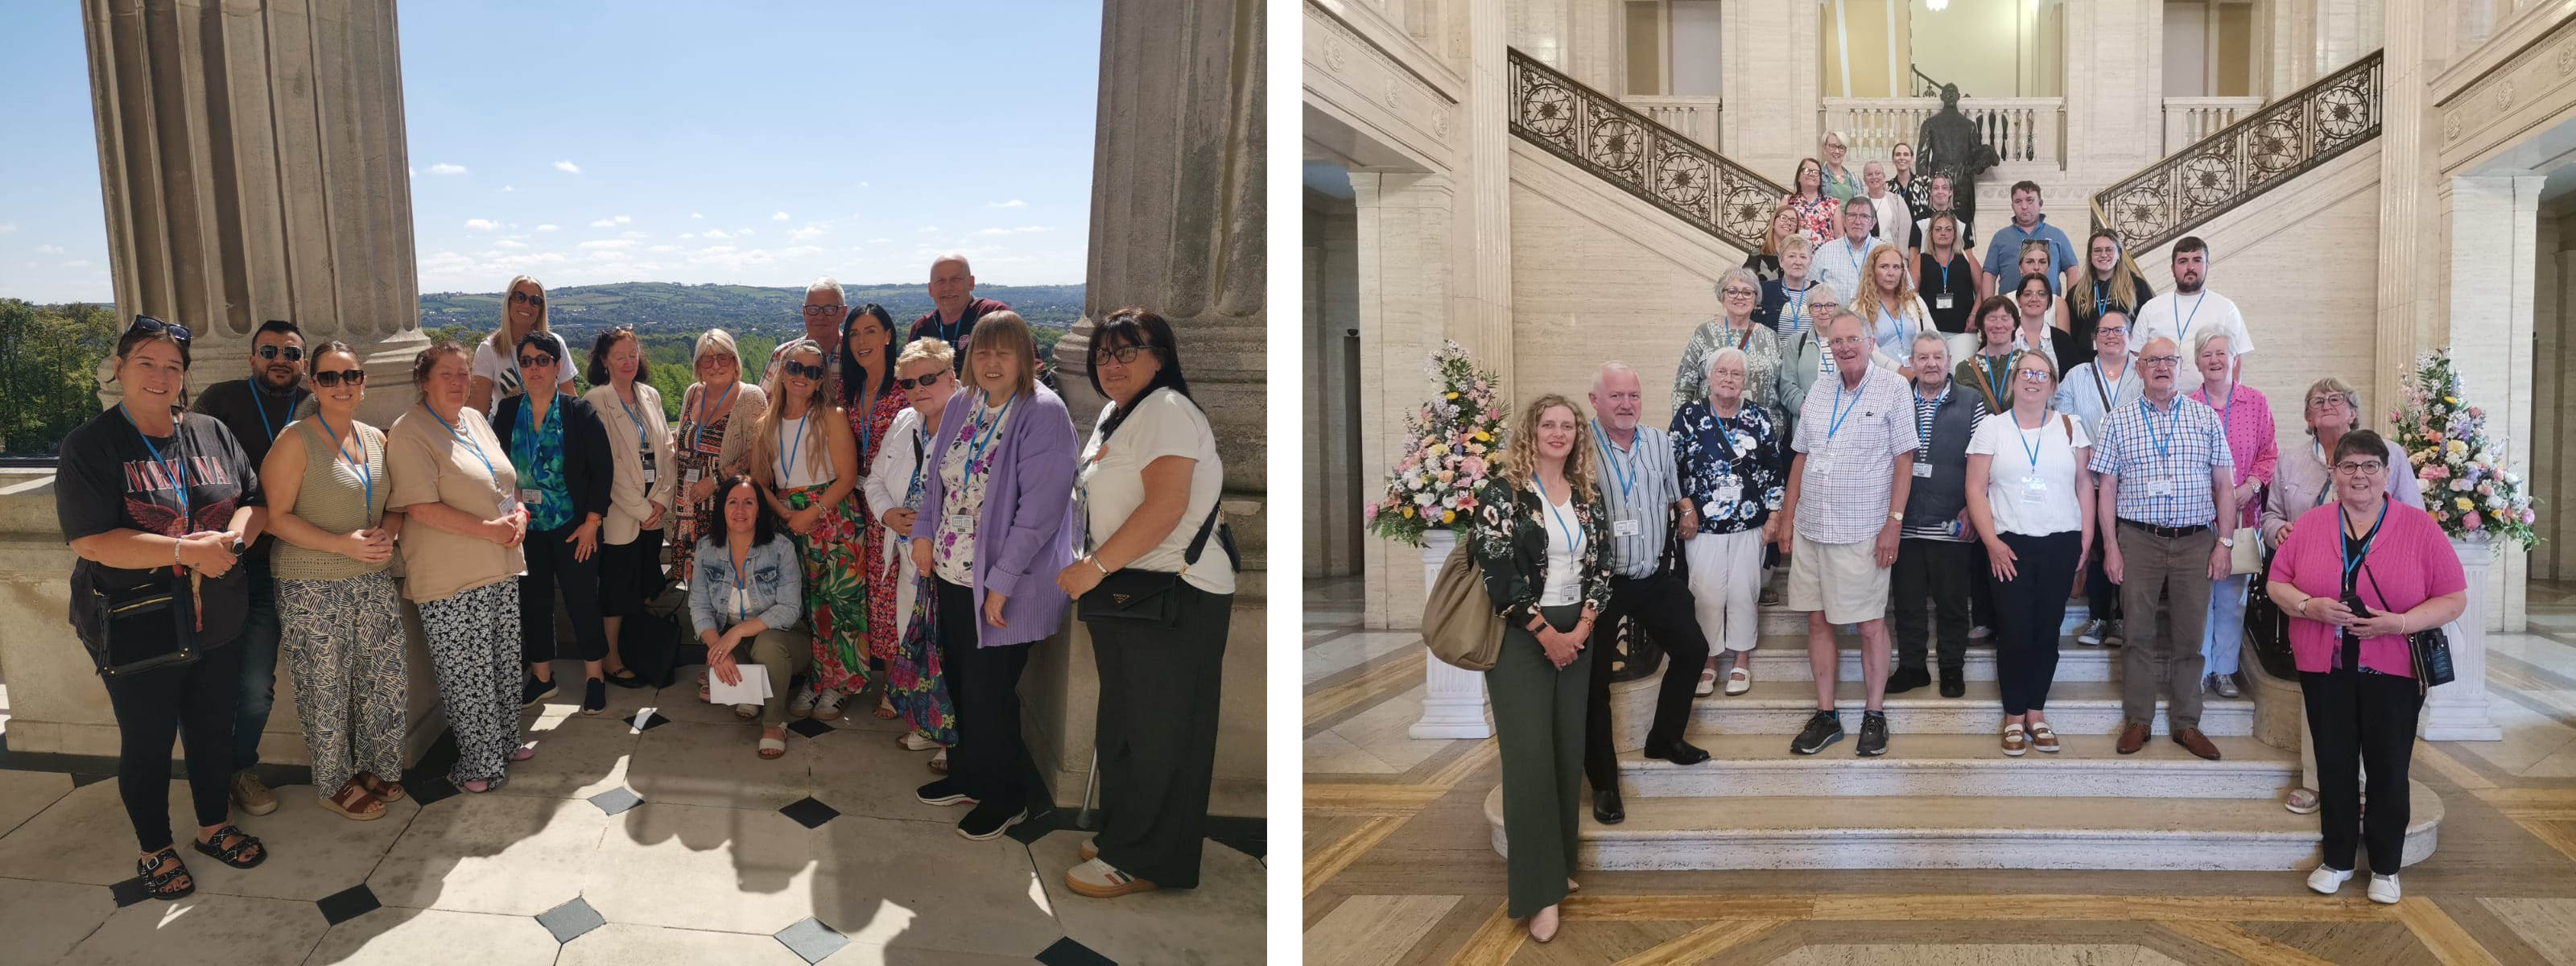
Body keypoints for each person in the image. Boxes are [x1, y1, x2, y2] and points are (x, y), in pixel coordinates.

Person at [58, 316, 270, 898]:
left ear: (185, 378)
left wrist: (231, 541)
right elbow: (91, 541)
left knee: (210, 732)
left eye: (173, 367)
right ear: (120, 369)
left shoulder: (210, 431)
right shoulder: (90, 446)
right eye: (146, 363)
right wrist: (184, 549)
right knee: (147, 740)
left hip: (218, 617)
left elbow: (254, 501)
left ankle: (213, 826)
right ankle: (155, 848)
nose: (160, 375)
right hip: (138, 623)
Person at [1052, 308, 1240, 898]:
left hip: (1175, 592)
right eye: (1104, 354)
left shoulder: (1167, 411)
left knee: (1164, 734)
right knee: (1128, 726)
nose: (1112, 364)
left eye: (1127, 351)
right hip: (1130, 591)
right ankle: (1124, 834)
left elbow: (1165, 507)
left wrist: (1095, 567)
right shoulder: (1118, 413)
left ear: (1161, 355)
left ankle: (1149, 858)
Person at [2264, 429, 2465, 905]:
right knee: (2333, 764)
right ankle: (2336, 860)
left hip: (2394, 669)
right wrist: (2310, 605)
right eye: (2348, 467)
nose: (2359, 476)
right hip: (2325, 665)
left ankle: (2386, 866)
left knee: (2388, 767)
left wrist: (2399, 623)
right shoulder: (2311, 525)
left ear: (2387, 473)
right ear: (2333, 475)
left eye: (2369, 466)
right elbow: (2277, 583)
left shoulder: (2420, 527)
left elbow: (2453, 598)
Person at [909, 312, 1079, 840]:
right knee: (959, 685)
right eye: (982, 352)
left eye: (1005, 352)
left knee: (991, 695)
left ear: (1028, 358)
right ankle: (968, 776)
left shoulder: (1043, 414)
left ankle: (1005, 796)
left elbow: (1041, 512)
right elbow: (938, 481)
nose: (992, 362)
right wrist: (922, 533)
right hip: (952, 574)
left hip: (1004, 586)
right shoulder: (964, 402)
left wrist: (1000, 584)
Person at [1467, 394, 1610, 945]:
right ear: (1531, 432)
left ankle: (1560, 867)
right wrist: (1547, 633)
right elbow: (1498, 574)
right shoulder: (1503, 494)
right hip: (1523, 638)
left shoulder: (1587, 496)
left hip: (1578, 633)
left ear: (1578, 434)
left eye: (1567, 425)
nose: (1558, 433)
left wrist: (1583, 626)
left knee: (1565, 752)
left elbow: (1602, 567)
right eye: (1548, 425)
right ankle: (1537, 891)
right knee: (1528, 760)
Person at [257, 340, 409, 819]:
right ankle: (332, 782)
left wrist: (386, 533)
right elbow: (275, 518)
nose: (341, 385)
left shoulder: (375, 439)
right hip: (311, 584)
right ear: (313, 384)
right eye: (328, 377)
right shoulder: (294, 441)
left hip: (372, 578)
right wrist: (345, 544)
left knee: (383, 681)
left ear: (363, 384)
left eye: (350, 376)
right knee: (325, 686)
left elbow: (395, 505)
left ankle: (373, 766)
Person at [2261, 379, 2427, 815]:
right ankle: (2321, 783)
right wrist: (2277, 531)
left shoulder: (2387, 455)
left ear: (2354, 412)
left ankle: (2376, 789)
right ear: (2307, 418)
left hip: (2380, 608)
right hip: (2315, 603)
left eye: (2338, 400)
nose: (2328, 407)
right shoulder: (2292, 462)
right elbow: (2271, 513)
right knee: (2322, 698)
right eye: (2318, 401)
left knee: (2379, 707)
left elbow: (2414, 520)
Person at [388, 342, 535, 794]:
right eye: (446, 374)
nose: (458, 382)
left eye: (464, 373)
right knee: (466, 673)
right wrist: (492, 530)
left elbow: (506, 481)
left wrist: (521, 517)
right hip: (450, 575)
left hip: (501, 563)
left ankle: (506, 742)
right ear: (424, 381)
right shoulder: (410, 432)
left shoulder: (472, 419)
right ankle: (479, 765)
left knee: (503, 664)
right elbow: (422, 509)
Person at [1778, 312, 1918, 757]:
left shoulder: (1895, 388)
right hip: (1813, 527)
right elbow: (1801, 457)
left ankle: (1874, 714)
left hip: (1863, 528)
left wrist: (1893, 522)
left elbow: (1904, 460)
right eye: (1836, 341)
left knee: (1871, 624)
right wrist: (1787, 515)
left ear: (1869, 340)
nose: (1843, 347)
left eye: (1851, 339)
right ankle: (1827, 715)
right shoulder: (1819, 390)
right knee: (1817, 620)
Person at [2088, 335, 2233, 762]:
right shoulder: (2118, 420)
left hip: (2194, 542)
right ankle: (2139, 720)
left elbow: (2225, 484)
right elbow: (2107, 488)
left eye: (2169, 359)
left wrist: (2224, 542)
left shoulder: (2205, 419)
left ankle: (2188, 724)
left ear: (2180, 366)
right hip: (2138, 539)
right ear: (2139, 369)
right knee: (2136, 633)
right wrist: (2111, 546)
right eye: (2152, 361)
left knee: (2191, 636)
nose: (2162, 367)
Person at [1578, 363, 1710, 828]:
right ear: (1595, 400)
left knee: (1694, 649)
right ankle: (1605, 783)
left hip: (1653, 574)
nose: (1627, 404)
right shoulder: (1580, 447)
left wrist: (1688, 508)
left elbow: (1676, 494)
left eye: (1633, 395)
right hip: (1601, 582)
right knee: (1593, 683)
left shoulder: (1658, 441)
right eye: (1616, 396)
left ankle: (1665, 738)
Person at [185, 318, 303, 818]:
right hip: (226, 562)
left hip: (288, 563)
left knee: (256, 686)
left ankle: (238, 769)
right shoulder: (220, 402)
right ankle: (207, 774)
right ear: (252, 358)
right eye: (270, 350)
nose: (281, 359)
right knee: (205, 679)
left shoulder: (316, 403)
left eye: (292, 353)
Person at [1965, 349, 2095, 756]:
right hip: (2010, 546)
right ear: (2015, 381)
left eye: (2041, 374)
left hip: (2061, 542)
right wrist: (1992, 543)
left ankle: (2037, 713)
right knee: (2015, 632)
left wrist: (2086, 541)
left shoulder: (2072, 427)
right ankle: (2013, 716)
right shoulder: (1992, 427)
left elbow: (2084, 486)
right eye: (2026, 373)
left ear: (2053, 385)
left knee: (2046, 633)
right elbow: (1975, 489)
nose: (2033, 380)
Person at [489, 332, 615, 716]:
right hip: (526, 528)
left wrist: (593, 522)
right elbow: (495, 469)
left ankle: (595, 677)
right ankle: (543, 678)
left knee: (582, 601)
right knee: (533, 602)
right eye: (526, 361)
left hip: (573, 527)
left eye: (542, 360)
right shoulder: (509, 413)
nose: (534, 368)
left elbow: (602, 470)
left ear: (558, 366)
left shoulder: (578, 412)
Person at [753, 338, 870, 720]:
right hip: (791, 521)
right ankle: (817, 679)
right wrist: (786, 514)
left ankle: (841, 684)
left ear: (822, 379)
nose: (802, 377)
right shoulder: (765, 422)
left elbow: (848, 478)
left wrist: (813, 512)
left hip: (833, 518)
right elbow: (760, 482)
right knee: (807, 605)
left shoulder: (832, 416)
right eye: (795, 368)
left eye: (812, 371)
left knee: (841, 605)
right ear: (783, 373)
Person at [867, 338, 961, 770]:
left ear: (951, 375)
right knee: (919, 645)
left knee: (953, 652)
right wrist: (888, 514)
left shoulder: (971, 423)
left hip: (953, 563)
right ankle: (929, 728)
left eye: (929, 378)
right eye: (909, 382)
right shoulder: (906, 420)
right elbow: (875, 482)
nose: (919, 388)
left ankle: (955, 744)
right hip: (907, 558)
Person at [1677, 349, 1785, 697]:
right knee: (1706, 594)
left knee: (1743, 592)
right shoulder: (1690, 416)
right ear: (1709, 377)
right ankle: (1709, 660)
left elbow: (1773, 470)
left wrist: (1774, 514)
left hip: (1749, 524)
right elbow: (1670, 466)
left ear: (1745, 381)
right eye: (1722, 372)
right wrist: (1685, 508)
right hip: (1701, 525)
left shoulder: (1758, 417)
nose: (1728, 379)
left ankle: (1741, 658)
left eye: (1736, 374)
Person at [691, 474, 812, 759]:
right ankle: (752, 692)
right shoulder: (706, 549)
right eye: (732, 502)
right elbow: (698, 606)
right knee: (715, 677)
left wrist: (736, 633)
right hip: (738, 638)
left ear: (760, 510)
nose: (740, 510)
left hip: (786, 637)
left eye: (749, 502)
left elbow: (789, 608)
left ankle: (774, 723)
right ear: (722, 508)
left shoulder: (780, 548)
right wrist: (718, 648)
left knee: (767, 645)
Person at [1890, 333, 1984, 698]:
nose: (1930, 364)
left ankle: (1951, 668)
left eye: (1937, 357)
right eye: (1923, 357)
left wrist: (1971, 509)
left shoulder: (1971, 401)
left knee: (1952, 603)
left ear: (1949, 362)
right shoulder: (1897, 400)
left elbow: (1981, 460)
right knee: (1908, 601)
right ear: (1912, 363)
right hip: (1906, 519)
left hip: (1952, 521)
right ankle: (1912, 667)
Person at [583, 328, 676, 689]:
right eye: (619, 355)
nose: (627, 361)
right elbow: (607, 466)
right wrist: (641, 508)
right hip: (623, 515)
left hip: (654, 512)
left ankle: (636, 652)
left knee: (642, 587)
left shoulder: (649, 395)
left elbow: (666, 451)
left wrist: (663, 499)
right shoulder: (596, 401)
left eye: (633, 354)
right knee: (617, 591)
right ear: (605, 360)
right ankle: (611, 659)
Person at [2191, 331, 2277, 699]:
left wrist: (2250, 487)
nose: (2214, 360)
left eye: (2221, 353)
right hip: (2198, 517)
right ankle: (2200, 668)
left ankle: (2224, 670)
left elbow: (2269, 454)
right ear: (2196, 363)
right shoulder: (2187, 405)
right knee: (2198, 597)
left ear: (2234, 358)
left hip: (2243, 518)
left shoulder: (2255, 402)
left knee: (2231, 597)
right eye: (2207, 354)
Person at [838, 303, 911, 719]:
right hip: (858, 505)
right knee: (871, 596)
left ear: (888, 335)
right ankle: (882, 679)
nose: (861, 342)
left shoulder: (908, 387)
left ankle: (897, 684)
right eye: (854, 335)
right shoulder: (853, 389)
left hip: (895, 504)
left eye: (869, 332)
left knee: (895, 593)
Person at [2055, 311, 2145, 648]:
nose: (2111, 336)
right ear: (2094, 337)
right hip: (2090, 476)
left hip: (2134, 478)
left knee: (2126, 547)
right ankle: (2096, 617)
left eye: (2118, 330)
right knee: (2094, 548)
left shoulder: (2143, 372)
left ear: (2130, 335)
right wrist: (2084, 447)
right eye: (2104, 331)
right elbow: (2063, 415)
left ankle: (2120, 618)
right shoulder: (2078, 375)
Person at [670, 329, 771, 582]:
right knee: (696, 589)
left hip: (727, 511)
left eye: (723, 358)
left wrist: (715, 480)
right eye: (707, 359)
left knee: (728, 584)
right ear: (698, 366)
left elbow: (760, 452)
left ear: (735, 362)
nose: (715, 365)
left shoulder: (751, 397)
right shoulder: (693, 393)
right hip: (689, 510)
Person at [2132, 237, 2253, 376]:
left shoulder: (2226, 309)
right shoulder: (2151, 308)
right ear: (2172, 269)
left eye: (2197, 260)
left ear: (2207, 265)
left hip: (2209, 397)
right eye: (2183, 261)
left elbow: (2236, 362)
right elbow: (2136, 357)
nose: (2190, 267)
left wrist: (2231, 398)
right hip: (2159, 397)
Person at [1674, 268, 1783, 412]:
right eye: (1732, 291)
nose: (1740, 297)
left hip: (1762, 429)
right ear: (1722, 296)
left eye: (1747, 292)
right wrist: (1683, 425)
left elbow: (1783, 387)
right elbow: (1683, 387)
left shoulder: (1771, 337)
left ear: (1756, 298)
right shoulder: (1705, 333)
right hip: (1711, 426)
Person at [467, 275, 577, 415]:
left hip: (551, 429)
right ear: (509, 301)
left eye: (535, 300)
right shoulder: (488, 350)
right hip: (505, 431)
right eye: (520, 297)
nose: (527, 305)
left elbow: (569, 397)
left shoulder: (556, 344)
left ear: (541, 309)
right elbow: (478, 407)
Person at [2062, 229, 2155, 374]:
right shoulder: (2076, 293)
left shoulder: (2137, 287)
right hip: (2088, 366)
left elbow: (2149, 329)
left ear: (2119, 253)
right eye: (2098, 250)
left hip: (2128, 367)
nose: (2104, 255)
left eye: (2109, 250)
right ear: (2090, 256)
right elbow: (2072, 338)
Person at [907, 253, 1014, 367]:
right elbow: (908, 375)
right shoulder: (922, 328)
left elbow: (1030, 367)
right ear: (930, 289)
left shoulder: (994, 315)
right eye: (940, 281)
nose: (948, 287)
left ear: (971, 283)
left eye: (956, 279)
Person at [1980, 181, 2075, 298]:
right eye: (2018, 202)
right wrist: (1988, 307)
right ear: (2012, 206)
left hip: (2050, 309)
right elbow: (1989, 274)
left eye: (2030, 200)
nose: (2024, 206)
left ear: (2040, 203)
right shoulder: (2000, 237)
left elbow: (2072, 269)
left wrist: (2072, 305)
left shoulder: (2057, 235)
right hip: (2010, 310)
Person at [1913, 212, 1981, 361]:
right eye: (1938, 229)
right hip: (1930, 332)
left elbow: (1982, 289)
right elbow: (1911, 296)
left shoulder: (1967, 258)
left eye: (1948, 229)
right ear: (1931, 233)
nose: (1943, 233)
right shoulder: (1920, 260)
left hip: (1963, 331)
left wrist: (1975, 314)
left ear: (1955, 233)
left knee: (1960, 373)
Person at [1851, 245, 1932, 366]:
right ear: (1872, 271)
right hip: (1879, 376)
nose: (1891, 273)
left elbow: (1933, 337)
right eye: (1884, 267)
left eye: (1896, 267)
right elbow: (1863, 349)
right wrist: (1898, 370)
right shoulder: (1859, 308)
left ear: (1902, 272)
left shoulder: (1915, 301)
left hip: (1917, 374)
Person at [1813, 196, 1889, 307]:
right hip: (1835, 321)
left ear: (1872, 223)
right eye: (1852, 216)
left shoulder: (1885, 252)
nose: (1857, 222)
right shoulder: (1826, 251)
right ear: (1843, 220)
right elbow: (1810, 290)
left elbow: (1905, 289)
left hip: (1875, 320)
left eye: (1864, 217)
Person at [793, 278, 853, 402]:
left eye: (829, 309)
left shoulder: (857, 357)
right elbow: (766, 411)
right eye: (813, 309)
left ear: (843, 313)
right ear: (804, 312)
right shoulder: (782, 356)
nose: (820, 316)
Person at [2013, 272, 2081, 372]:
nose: (2034, 299)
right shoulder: (2004, 336)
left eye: (2041, 294)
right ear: (2019, 300)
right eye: (2028, 294)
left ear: (2048, 302)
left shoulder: (2064, 341)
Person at [1755, 234, 1822, 336]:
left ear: (1810, 261)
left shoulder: (1820, 292)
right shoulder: (1764, 290)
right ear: (1781, 261)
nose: (1798, 262)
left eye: (1803, 257)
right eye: (1792, 256)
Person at [1907, 171, 1976, 258]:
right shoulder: (1919, 220)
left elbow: (1969, 254)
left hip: (1956, 270)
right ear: (1931, 192)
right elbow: (1913, 253)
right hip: (1926, 269)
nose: (1940, 192)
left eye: (1944, 188)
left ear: (1950, 192)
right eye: (1936, 188)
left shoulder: (1963, 220)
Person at [1784, 158, 1839, 245]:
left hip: (1826, 256)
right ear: (1798, 177)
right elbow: (1779, 231)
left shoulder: (1833, 203)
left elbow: (1840, 236)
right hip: (1795, 254)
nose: (1811, 174)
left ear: (1820, 180)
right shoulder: (1788, 201)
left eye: (1816, 172)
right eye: (1806, 170)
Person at [1744, 201, 1798, 282]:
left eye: (1793, 221)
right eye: (1784, 218)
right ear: (1773, 223)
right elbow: (1745, 283)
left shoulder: (1798, 257)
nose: (1789, 223)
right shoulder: (1758, 253)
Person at [1862, 161, 1911, 247]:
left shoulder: (1897, 201)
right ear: (1865, 180)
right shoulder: (1859, 202)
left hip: (1891, 253)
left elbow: (1906, 231)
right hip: (1865, 255)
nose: (1874, 177)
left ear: (1884, 177)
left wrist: (1902, 258)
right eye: (1869, 174)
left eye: (1877, 173)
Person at [1818, 130, 1861, 201]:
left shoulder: (1855, 179)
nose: (1837, 151)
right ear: (1824, 149)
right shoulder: (1818, 176)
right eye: (1832, 146)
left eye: (1841, 147)